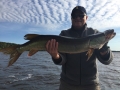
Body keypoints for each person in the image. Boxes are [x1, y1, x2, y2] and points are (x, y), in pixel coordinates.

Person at [46, 6, 113, 90]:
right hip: (67, 84)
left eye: (81, 15)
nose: (78, 18)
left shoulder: (94, 33)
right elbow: (62, 60)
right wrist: (55, 55)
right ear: (71, 18)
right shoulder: (64, 34)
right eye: (74, 15)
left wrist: (104, 50)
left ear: (86, 17)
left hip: (91, 84)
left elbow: (107, 61)